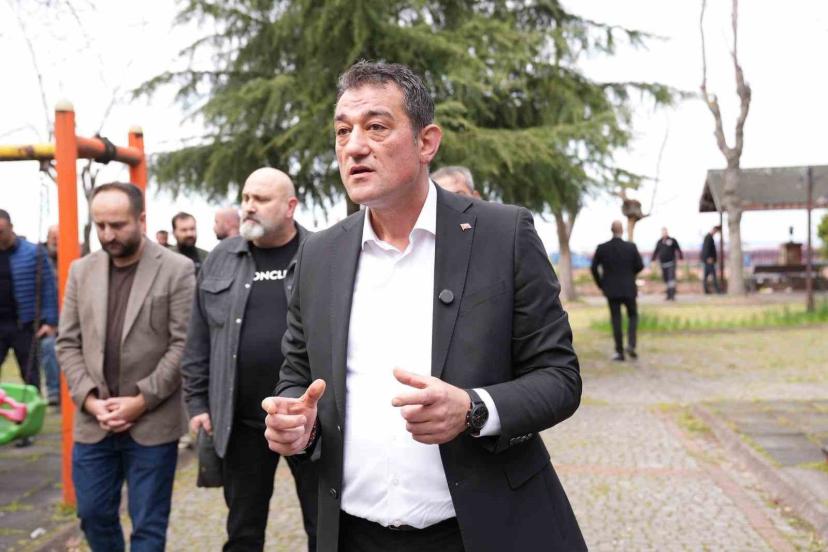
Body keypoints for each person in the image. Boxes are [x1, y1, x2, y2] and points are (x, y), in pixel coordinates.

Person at [262, 61, 585, 552]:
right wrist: (297, 423)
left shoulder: (503, 235)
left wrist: (474, 409)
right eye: (343, 131)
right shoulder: (318, 254)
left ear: (426, 142)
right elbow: (297, 374)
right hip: (352, 535)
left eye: (376, 127)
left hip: (482, 531)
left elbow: (559, 378)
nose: (354, 147)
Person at [182, 168, 318, 551]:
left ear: (290, 206)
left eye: (261, 199)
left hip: (309, 421)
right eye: (245, 198)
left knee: (324, 528)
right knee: (243, 531)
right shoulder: (221, 258)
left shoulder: (322, 252)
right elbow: (198, 339)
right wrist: (197, 403)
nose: (249, 207)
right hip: (240, 422)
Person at [56, 182, 195, 552]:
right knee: (92, 514)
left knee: (148, 526)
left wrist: (140, 400)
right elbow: (67, 342)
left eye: (117, 225)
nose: (107, 234)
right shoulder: (81, 270)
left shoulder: (177, 269)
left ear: (141, 220)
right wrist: (89, 400)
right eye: (100, 225)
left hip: (152, 422)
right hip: (94, 422)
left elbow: (184, 345)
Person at [0, 210, 58, 395]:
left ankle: (34, 407)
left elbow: (49, 288)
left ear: (11, 228)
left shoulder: (34, 253)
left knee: (30, 375)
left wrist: (50, 321)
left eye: (1, 231)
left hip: (24, 324)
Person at [591, 221, 644, 361]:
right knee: (633, 315)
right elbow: (640, 265)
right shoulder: (631, 247)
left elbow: (593, 268)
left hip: (611, 290)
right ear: (622, 230)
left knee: (616, 319)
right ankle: (631, 344)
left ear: (611, 230)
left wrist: (601, 284)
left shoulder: (602, 248)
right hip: (629, 288)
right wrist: (630, 275)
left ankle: (619, 352)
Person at [39, 224, 61, 405]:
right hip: (50, 319)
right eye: (52, 236)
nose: (55, 240)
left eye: (59, 237)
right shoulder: (39, 260)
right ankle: (54, 391)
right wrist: (50, 322)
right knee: (49, 346)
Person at [652, 227, 683, 301]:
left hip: (671, 263)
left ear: (667, 232)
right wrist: (653, 260)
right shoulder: (659, 242)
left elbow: (678, 249)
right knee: (666, 279)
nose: (664, 234)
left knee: (671, 279)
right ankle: (668, 295)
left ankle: (672, 295)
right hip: (663, 264)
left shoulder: (672, 240)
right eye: (663, 232)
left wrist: (681, 258)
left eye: (665, 232)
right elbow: (656, 251)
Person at [702, 225, 721, 294]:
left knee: (706, 276)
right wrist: (708, 258)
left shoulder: (709, 237)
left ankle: (706, 290)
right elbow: (706, 249)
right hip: (709, 260)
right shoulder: (708, 237)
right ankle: (717, 290)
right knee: (713, 276)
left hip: (708, 260)